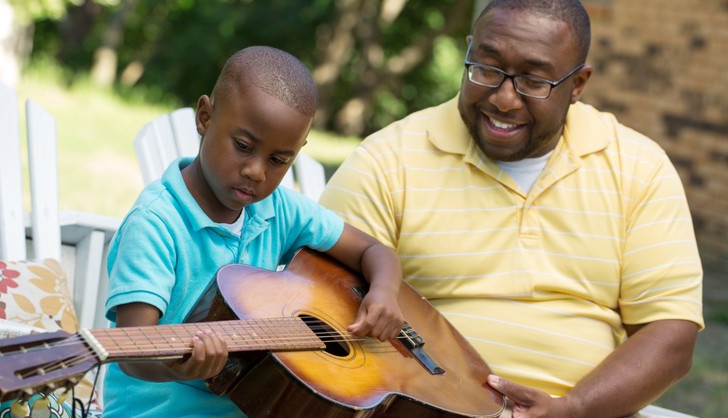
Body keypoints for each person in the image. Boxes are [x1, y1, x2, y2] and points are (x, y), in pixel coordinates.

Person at [319, 1, 704, 417]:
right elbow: (319, 297)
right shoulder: (387, 160)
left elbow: (670, 333)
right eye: (486, 69)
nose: (504, 100)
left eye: (534, 82)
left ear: (578, 84)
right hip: (419, 406)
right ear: (468, 51)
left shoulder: (639, 167)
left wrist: (574, 408)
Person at [102, 46, 405, 418]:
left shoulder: (277, 209)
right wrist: (175, 365)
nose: (257, 172)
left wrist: (385, 293)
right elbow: (132, 351)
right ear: (205, 117)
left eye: (280, 160)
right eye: (243, 147)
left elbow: (373, 251)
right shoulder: (155, 224)